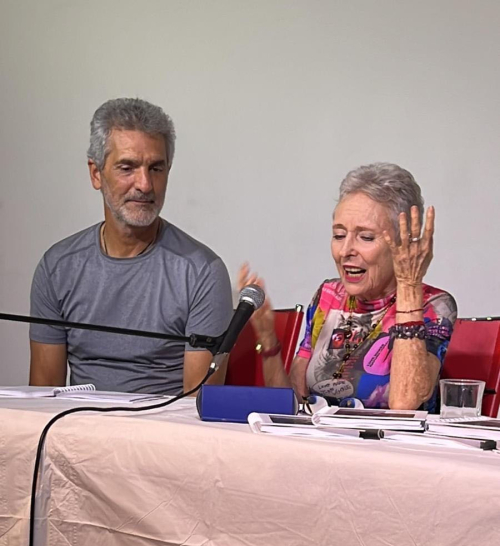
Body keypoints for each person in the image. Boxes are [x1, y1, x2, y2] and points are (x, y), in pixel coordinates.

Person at [29, 98, 233, 394]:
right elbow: (43, 394)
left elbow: (199, 403)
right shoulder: (57, 267)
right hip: (78, 421)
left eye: (156, 168)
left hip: (165, 423)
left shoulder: (202, 272)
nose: (145, 184)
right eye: (127, 168)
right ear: (96, 174)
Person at [240, 163, 457, 411]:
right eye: (339, 235)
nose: (345, 251)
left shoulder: (433, 305)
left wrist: (409, 285)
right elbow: (295, 405)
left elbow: (404, 404)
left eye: (366, 237)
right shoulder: (328, 296)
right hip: (323, 436)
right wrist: (268, 339)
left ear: (402, 243)